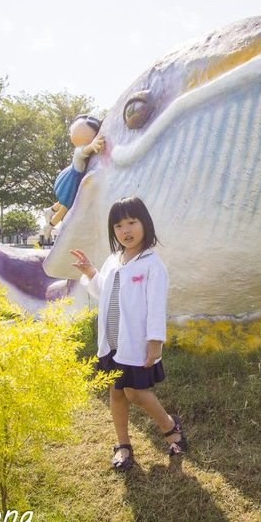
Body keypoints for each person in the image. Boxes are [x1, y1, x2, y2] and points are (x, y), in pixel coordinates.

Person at [70, 196, 187, 470]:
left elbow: (156, 308)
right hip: (112, 342)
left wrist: (155, 343)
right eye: (119, 225)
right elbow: (104, 293)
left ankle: (170, 427)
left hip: (134, 344)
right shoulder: (114, 260)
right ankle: (123, 444)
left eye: (132, 222)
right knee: (117, 392)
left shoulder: (152, 264)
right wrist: (90, 271)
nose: (126, 230)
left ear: (144, 223)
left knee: (136, 392)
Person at [41, 114, 105, 238]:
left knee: (63, 200)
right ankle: (50, 225)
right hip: (73, 178)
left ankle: (49, 210)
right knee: (66, 205)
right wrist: (92, 145)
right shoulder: (80, 149)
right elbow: (84, 152)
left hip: (75, 177)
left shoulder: (83, 149)